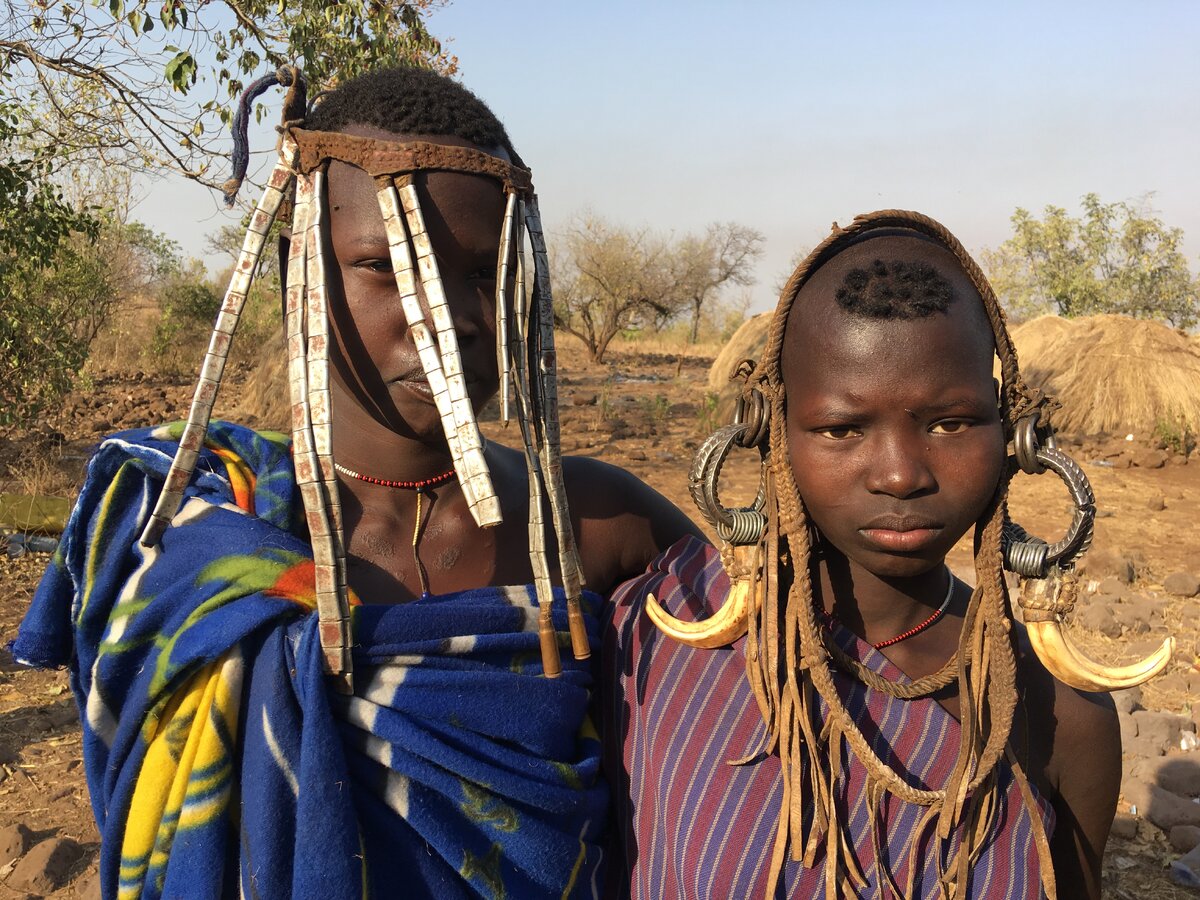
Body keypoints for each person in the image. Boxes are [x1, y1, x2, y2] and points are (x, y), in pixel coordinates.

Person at [13, 66, 699, 899]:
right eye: (385, 265)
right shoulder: (184, 525)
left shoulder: (596, 522)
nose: (445, 316)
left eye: (482, 274)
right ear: (299, 270)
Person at [600, 211, 1150, 899]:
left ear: (1016, 435)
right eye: (841, 428)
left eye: (950, 423)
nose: (899, 474)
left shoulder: (1061, 716)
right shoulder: (664, 639)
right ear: (769, 432)